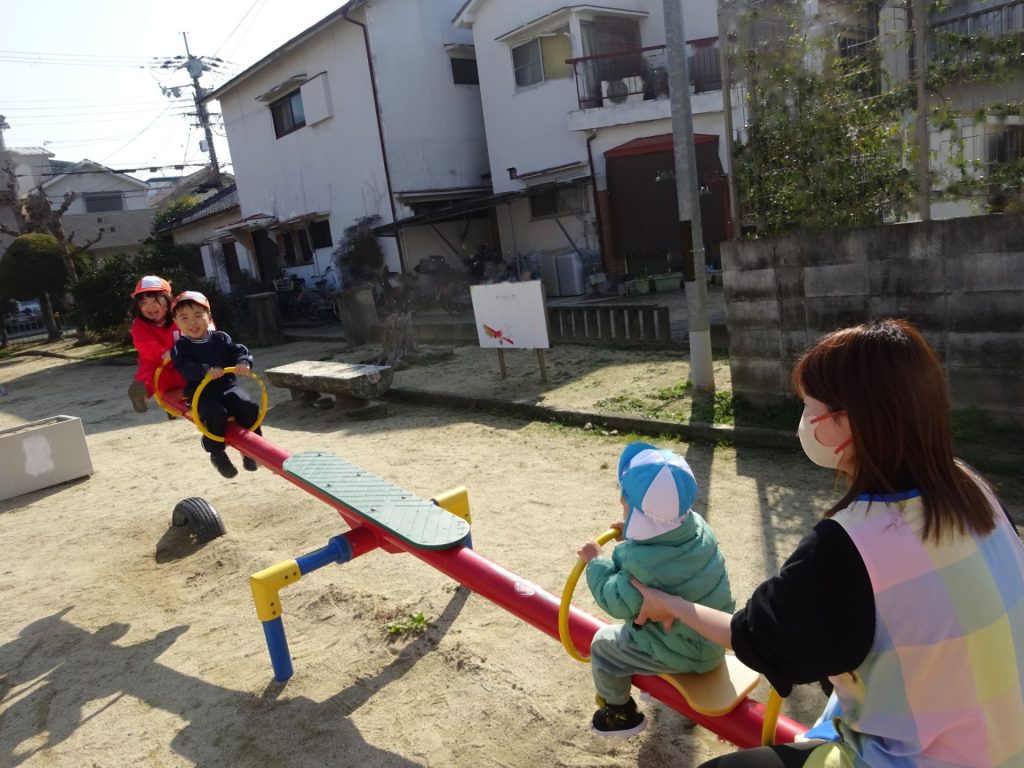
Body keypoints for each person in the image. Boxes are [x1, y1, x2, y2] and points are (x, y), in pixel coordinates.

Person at [630, 319, 1024, 767]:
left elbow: (755, 638)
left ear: (848, 422)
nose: (803, 421)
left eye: (807, 406)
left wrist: (673, 605)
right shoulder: (971, 486)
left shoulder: (850, 544)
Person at [576, 442, 734, 738]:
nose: (623, 509)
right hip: (714, 638)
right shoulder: (698, 527)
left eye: (627, 508)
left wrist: (596, 562)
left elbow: (614, 599)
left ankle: (619, 714)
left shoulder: (641, 564)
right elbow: (665, 545)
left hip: (683, 653)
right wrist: (633, 530)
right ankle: (653, 683)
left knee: (604, 645)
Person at [169, 290, 261, 479]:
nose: (192, 323)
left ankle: (252, 448)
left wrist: (243, 361)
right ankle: (216, 453)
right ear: (176, 323)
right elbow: (185, 366)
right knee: (216, 414)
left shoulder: (221, 338)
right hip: (202, 393)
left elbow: (238, 350)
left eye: (198, 315)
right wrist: (204, 371)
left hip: (227, 387)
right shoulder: (181, 346)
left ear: (209, 317)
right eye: (184, 318)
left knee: (249, 406)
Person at [127, 275, 185, 414]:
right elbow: (145, 345)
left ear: (168, 299)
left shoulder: (181, 315)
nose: (150, 307)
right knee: (148, 368)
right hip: (160, 363)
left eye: (155, 300)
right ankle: (141, 394)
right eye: (144, 303)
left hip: (185, 361)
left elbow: (200, 325)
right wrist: (164, 353)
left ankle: (185, 395)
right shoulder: (140, 325)